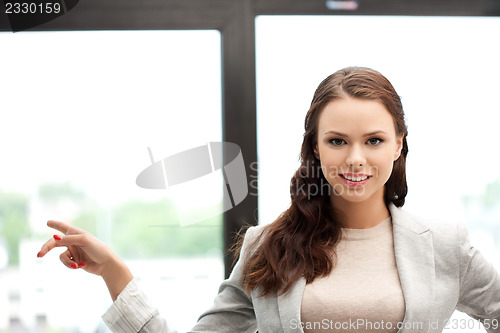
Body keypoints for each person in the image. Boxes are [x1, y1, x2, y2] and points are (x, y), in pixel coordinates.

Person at [37, 67, 500, 333]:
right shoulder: (268, 245)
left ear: (399, 144)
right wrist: (115, 272)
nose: (355, 159)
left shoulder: (444, 244)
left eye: (374, 140)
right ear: (315, 147)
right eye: (337, 141)